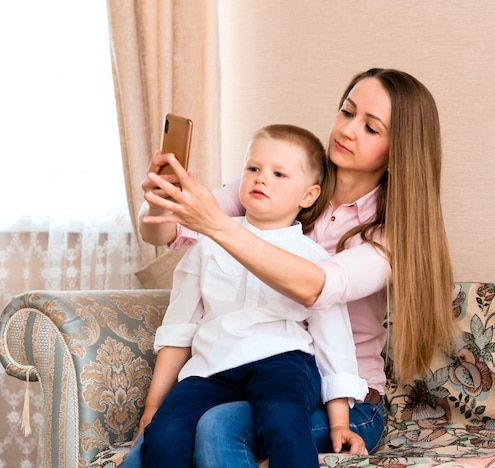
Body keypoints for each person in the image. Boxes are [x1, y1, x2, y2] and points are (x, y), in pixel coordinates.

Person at [139, 68, 455, 466]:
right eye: (347, 112)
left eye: (371, 128)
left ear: (400, 149)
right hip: (240, 373)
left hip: (345, 400)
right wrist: (159, 198)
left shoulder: (393, 233)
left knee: (219, 426)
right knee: (154, 441)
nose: (348, 130)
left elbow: (318, 287)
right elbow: (169, 231)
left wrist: (216, 226)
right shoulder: (284, 178)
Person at [132, 124, 369, 468]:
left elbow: (334, 343)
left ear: (308, 195)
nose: (262, 179)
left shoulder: (314, 259)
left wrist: (339, 423)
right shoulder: (206, 245)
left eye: (279, 174)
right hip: (211, 368)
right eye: (254, 169)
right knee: (164, 436)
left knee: (284, 422)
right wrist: (153, 407)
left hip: (282, 362)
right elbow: (179, 327)